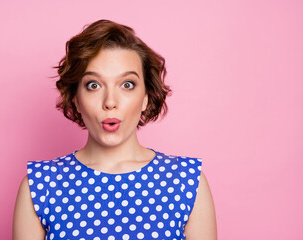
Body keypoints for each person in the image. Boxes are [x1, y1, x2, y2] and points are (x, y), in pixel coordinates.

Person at [13, 19, 217, 240]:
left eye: (127, 84)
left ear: (146, 99)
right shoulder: (40, 186)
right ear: (76, 99)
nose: (110, 102)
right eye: (93, 85)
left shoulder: (187, 182)